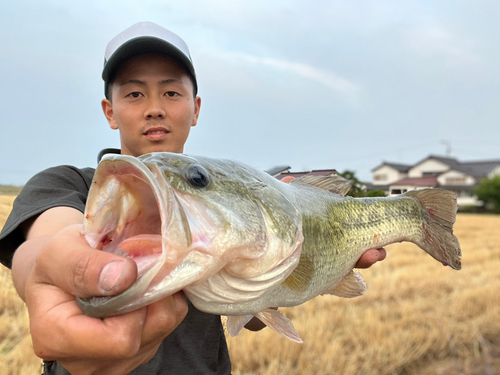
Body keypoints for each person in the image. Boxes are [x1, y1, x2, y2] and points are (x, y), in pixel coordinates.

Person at [0, 22, 386, 374]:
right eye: (134, 93)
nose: (154, 109)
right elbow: (44, 245)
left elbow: (248, 315)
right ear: (110, 111)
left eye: (171, 92)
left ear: (195, 108)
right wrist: (48, 272)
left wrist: (282, 274)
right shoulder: (62, 183)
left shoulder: (232, 198)